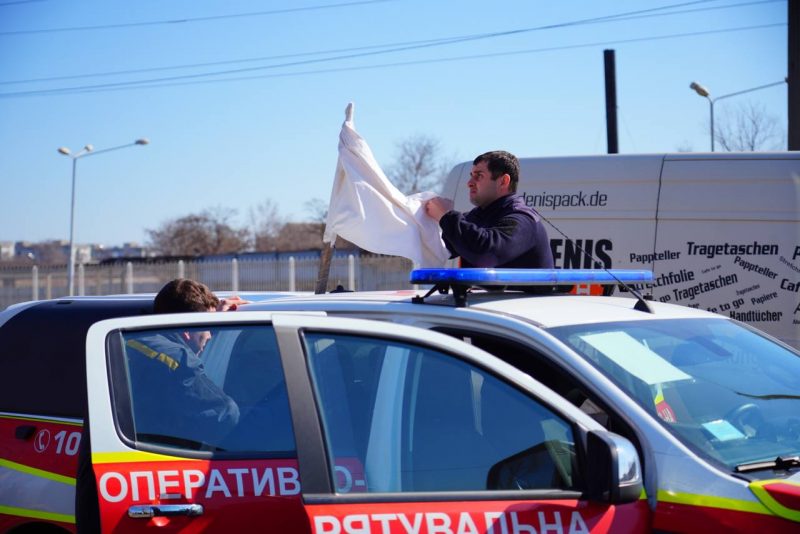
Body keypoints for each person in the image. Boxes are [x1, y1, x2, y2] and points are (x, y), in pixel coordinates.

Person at [76, 279, 241, 533]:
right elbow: (226, 414)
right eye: (205, 327)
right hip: (150, 499)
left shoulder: (132, 339)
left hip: (98, 495)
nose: (209, 335)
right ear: (187, 329)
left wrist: (214, 317)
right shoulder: (179, 362)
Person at [425, 150, 554, 269]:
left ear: (503, 181)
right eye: (471, 176)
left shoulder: (523, 219)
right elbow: (441, 248)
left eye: (479, 176)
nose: (469, 183)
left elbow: (486, 253)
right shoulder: (478, 216)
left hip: (524, 295)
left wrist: (446, 216)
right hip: (493, 295)